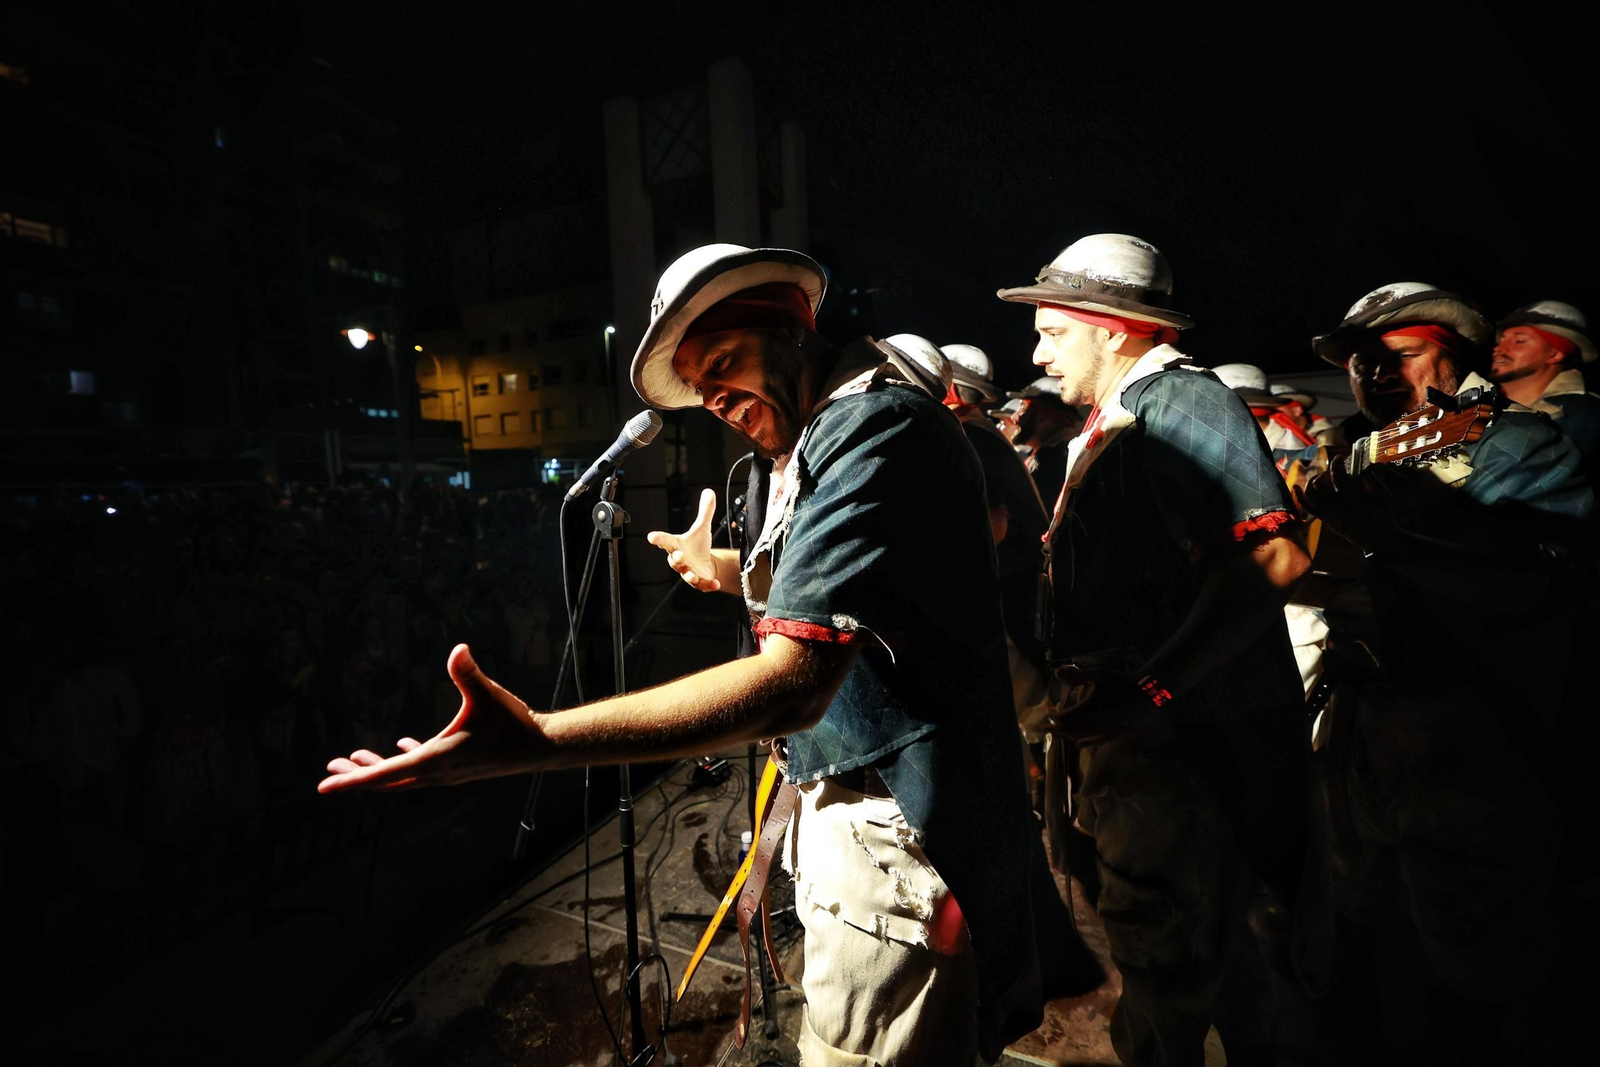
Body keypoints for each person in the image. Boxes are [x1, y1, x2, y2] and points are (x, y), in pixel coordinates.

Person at [321, 243, 1042, 1066]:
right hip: (868, 808)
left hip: (905, 824)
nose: (716, 401)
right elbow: (857, 593)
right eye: (700, 387)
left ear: (794, 329)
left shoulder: (870, 426)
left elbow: (792, 685)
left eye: (725, 363)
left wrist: (541, 741)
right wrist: (727, 569)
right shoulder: (812, 440)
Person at [998, 233, 1312, 1067]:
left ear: (1117, 329)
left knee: (1194, 973)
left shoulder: (1181, 403)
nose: (1037, 350)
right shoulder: (1123, 417)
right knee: (1188, 968)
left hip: (1193, 757)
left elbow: (1274, 555)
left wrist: (1153, 690)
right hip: (1159, 758)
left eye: (1054, 331)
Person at [1299, 282, 1594, 1062]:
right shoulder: (1368, 446)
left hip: (1473, 727)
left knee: (1478, 956)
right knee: (1366, 926)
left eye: (1397, 354)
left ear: (1450, 351)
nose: (1374, 375)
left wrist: (1405, 526)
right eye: (1360, 363)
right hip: (1369, 717)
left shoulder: (1512, 437)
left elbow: (1540, 576)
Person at [1488, 300, 1600, 469]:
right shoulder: (1476, 403)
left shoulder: (1588, 417)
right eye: (1501, 341)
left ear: (1555, 354)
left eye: (1519, 341)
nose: (1499, 349)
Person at [993, 376, 1083, 510]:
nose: (1015, 418)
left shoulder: (1056, 461)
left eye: (1023, 409)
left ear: (1044, 417)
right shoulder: (1052, 455)